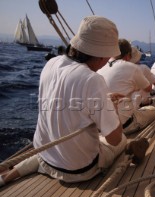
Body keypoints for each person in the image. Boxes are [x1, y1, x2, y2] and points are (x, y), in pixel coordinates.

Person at [0, 16, 127, 186]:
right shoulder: (93, 80)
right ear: (102, 56)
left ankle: (8, 175)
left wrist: (101, 101)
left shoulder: (51, 63)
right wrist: (113, 108)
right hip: (79, 170)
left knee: (48, 151)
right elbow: (114, 139)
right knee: (123, 140)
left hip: (46, 158)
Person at [97, 39, 155, 135]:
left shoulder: (100, 68)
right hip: (124, 126)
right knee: (154, 111)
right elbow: (149, 88)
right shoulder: (131, 67)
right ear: (128, 55)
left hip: (103, 129)